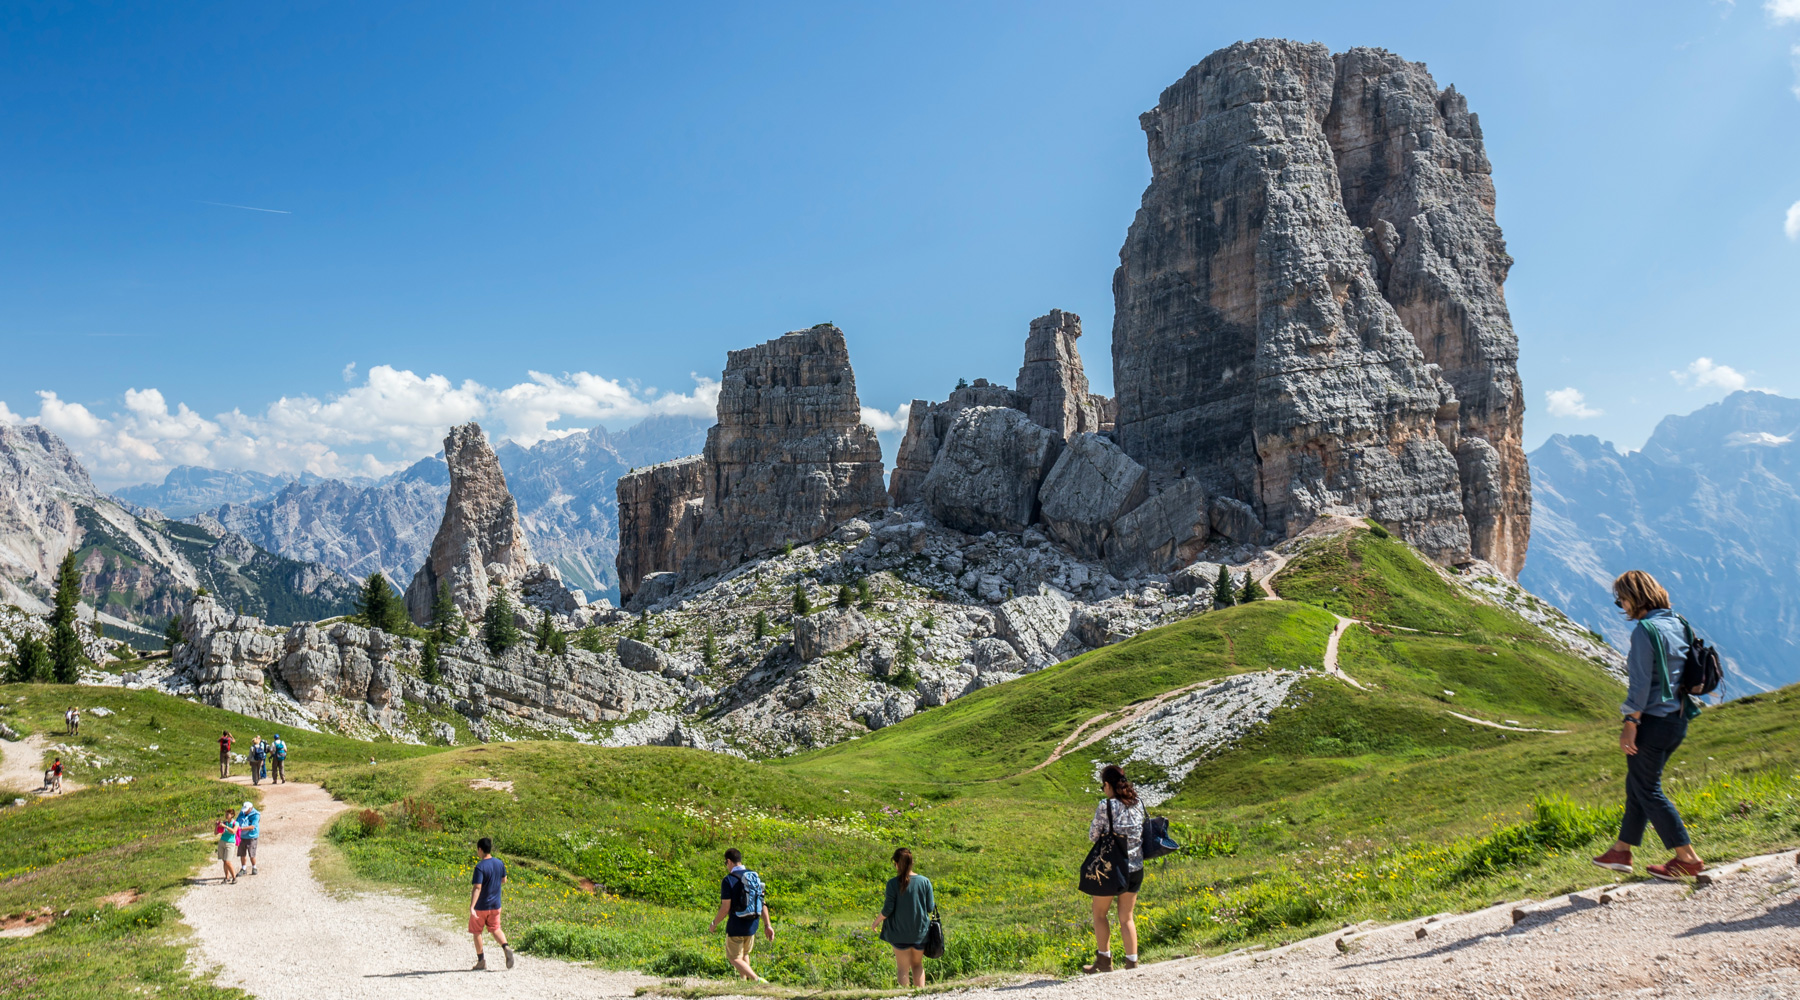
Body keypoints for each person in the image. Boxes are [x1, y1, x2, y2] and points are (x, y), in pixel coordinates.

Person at [1591, 570, 1707, 882]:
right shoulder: (1678, 622)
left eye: (1622, 599)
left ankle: (1688, 858)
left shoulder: (1645, 630)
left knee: (1648, 789)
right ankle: (1621, 850)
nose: (1621, 606)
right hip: (1678, 720)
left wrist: (1630, 721)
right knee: (1638, 785)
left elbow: (1641, 684)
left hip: (1652, 722)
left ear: (1634, 597)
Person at [1083, 764, 1146, 974]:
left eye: (1104, 786)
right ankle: (1132, 963)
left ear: (1108, 785)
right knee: (1126, 916)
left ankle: (1104, 960)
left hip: (1111, 868)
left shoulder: (1106, 806)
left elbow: (1093, 835)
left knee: (1099, 913)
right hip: (1136, 867)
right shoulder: (1138, 803)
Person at [871, 847, 934, 988]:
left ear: (896, 864)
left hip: (899, 934)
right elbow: (930, 908)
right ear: (911, 863)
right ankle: (921, 996)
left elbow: (888, 909)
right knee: (917, 965)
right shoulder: (925, 882)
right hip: (920, 933)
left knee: (903, 969)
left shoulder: (892, 883)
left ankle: (904, 996)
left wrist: (875, 923)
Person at [709, 847, 773, 982]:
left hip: (736, 924)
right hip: (752, 923)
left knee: (734, 958)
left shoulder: (728, 880)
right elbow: (762, 903)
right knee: (744, 954)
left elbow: (725, 908)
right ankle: (744, 983)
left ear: (729, 861)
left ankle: (756, 979)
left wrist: (714, 923)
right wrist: (767, 925)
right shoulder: (753, 876)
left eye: (725, 863)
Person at [469, 837, 513, 971]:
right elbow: (504, 880)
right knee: (495, 929)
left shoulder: (480, 867)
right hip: (495, 905)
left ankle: (481, 961)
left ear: (480, 850)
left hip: (481, 906)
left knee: (477, 932)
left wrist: (472, 906)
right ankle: (506, 947)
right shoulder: (499, 863)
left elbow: (477, 887)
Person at [215, 809, 240, 883]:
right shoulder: (224, 823)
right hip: (222, 841)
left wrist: (225, 826)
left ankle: (234, 877)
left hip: (230, 843)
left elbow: (233, 831)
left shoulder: (236, 823)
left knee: (228, 861)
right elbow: (216, 833)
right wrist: (217, 826)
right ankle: (227, 877)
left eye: (228, 814)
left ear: (232, 815)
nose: (226, 816)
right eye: (226, 814)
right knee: (224, 861)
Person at [236, 801, 260, 875]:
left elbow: (253, 827)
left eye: (246, 810)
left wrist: (241, 828)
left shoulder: (256, 815)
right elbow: (237, 821)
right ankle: (243, 868)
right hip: (242, 837)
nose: (245, 812)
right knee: (242, 853)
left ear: (250, 808)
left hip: (251, 837)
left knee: (252, 853)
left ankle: (254, 867)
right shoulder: (242, 812)